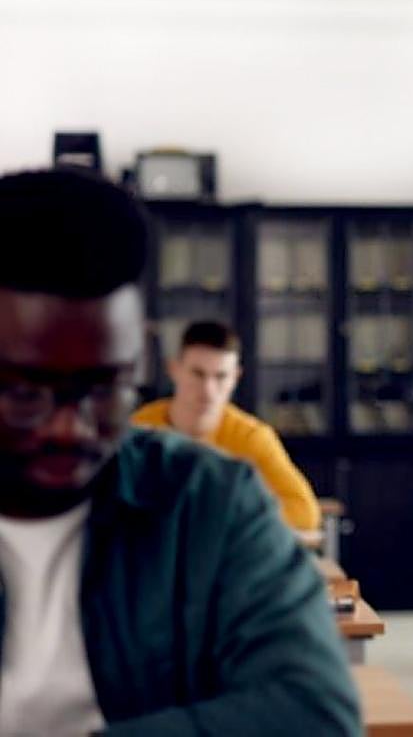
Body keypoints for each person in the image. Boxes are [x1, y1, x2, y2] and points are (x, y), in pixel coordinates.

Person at [0, 168, 358, 734]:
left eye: (103, 388)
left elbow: (314, 713)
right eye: (25, 394)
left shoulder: (212, 500)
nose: (70, 428)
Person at [132, 320, 321, 530]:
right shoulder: (139, 428)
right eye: (198, 374)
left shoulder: (250, 436)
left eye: (220, 377)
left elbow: (304, 512)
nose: (208, 390)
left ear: (235, 378)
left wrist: (219, 519)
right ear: (174, 369)